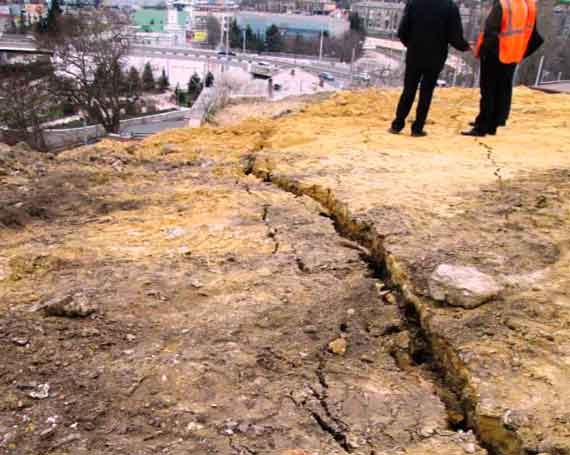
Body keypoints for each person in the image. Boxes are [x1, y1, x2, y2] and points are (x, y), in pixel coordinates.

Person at [462, 0, 543, 137]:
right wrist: (520, 52)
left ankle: (482, 127)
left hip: (496, 55)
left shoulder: (503, 5)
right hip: (512, 55)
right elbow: (535, 37)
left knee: (488, 91)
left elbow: (490, 32)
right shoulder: (528, 6)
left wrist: (484, 52)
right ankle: (493, 123)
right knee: (502, 90)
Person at [390, 0, 470, 137]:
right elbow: (455, 37)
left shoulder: (414, 3)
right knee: (426, 92)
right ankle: (417, 128)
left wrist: (411, 44)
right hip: (436, 56)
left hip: (415, 53)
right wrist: (466, 47)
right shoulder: (450, 7)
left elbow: (402, 31)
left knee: (408, 90)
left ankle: (397, 125)